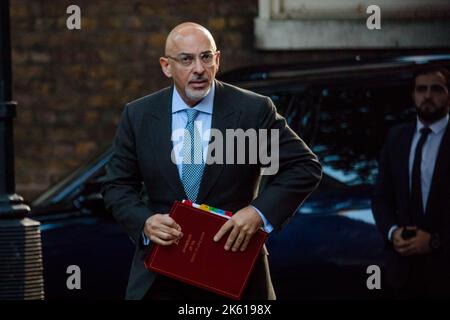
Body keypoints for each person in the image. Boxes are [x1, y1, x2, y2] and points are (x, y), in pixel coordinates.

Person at [102, 22, 322, 300]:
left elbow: (305, 167)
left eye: (206, 57)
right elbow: (116, 185)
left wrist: (258, 214)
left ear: (217, 60)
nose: (198, 68)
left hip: (234, 272)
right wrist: (145, 222)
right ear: (166, 66)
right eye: (186, 59)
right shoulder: (139, 115)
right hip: (160, 276)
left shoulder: (252, 110)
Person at [372, 65, 450, 298]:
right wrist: (392, 231)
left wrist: (436, 242)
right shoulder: (397, 137)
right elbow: (381, 197)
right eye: (421, 89)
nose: (427, 96)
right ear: (413, 94)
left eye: (436, 89)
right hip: (402, 271)